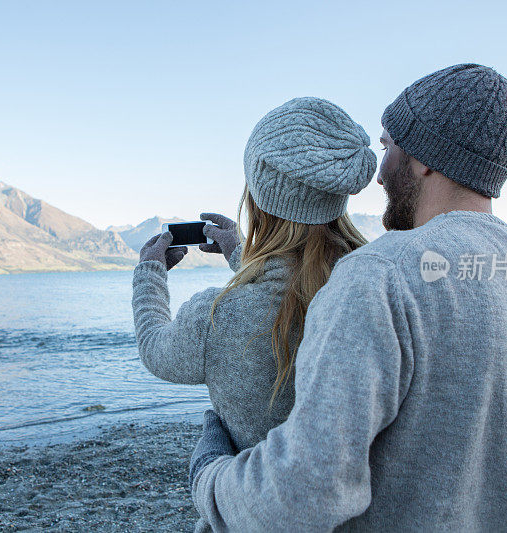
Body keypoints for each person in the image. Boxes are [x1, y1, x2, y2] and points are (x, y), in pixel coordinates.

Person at [189, 64, 507, 532]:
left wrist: (209, 472)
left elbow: (301, 491)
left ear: (425, 158)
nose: (378, 177)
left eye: (388, 146)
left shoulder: (379, 276)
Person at [131, 97, 378, 531]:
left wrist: (149, 274)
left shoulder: (220, 316)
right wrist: (243, 255)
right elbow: (295, 281)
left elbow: (156, 349)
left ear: (259, 199)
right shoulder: (376, 285)